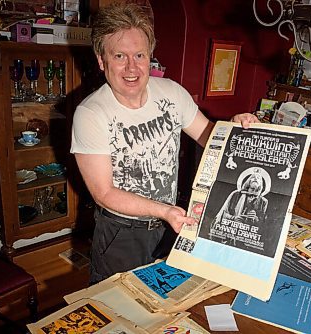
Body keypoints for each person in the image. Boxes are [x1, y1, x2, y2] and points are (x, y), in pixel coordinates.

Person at [70, 2, 259, 284]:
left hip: (170, 225)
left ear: (150, 57)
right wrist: (165, 211)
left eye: (139, 55)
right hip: (123, 233)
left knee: (166, 302)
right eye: (119, 56)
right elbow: (104, 194)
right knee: (120, 310)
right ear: (101, 60)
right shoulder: (91, 114)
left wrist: (234, 126)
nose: (131, 67)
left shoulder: (172, 93)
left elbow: (208, 134)